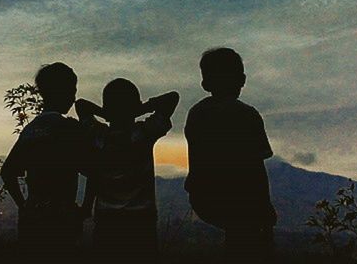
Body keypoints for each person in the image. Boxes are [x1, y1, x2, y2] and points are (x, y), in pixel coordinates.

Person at [184, 47, 276, 262]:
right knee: (248, 240)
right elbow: (255, 167)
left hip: (203, 197)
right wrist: (265, 206)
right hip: (239, 197)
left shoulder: (197, 113)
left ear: (205, 83)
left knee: (237, 238)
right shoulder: (247, 115)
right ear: (242, 80)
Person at [75, 79, 180, 263]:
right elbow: (172, 98)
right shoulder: (144, 133)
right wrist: (140, 109)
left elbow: (81, 106)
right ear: (134, 105)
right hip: (141, 220)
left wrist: (106, 113)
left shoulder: (98, 136)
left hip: (106, 219)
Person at [1, 62, 90, 260]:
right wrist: (85, 208)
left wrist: (24, 207)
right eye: (71, 90)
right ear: (61, 91)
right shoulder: (68, 129)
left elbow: (7, 172)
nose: (73, 97)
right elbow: (93, 169)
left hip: (33, 218)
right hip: (62, 218)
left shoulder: (30, 130)